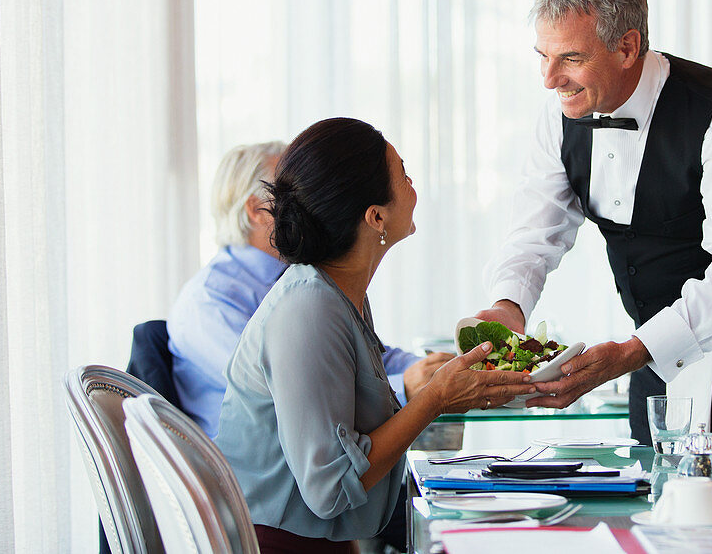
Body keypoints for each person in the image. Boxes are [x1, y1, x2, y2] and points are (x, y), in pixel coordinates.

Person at [478, 0, 712, 445]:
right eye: (542, 56)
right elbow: (535, 233)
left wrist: (638, 349)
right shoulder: (561, 115)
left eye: (570, 58)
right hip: (650, 349)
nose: (550, 80)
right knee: (653, 489)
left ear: (627, 47)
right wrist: (508, 306)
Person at [214, 118, 533, 552]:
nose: (413, 183)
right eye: (402, 173)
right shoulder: (309, 309)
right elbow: (329, 490)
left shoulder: (339, 292)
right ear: (375, 216)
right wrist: (434, 399)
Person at [168, 140, 452, 438]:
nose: (308, 201)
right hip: (250, 476)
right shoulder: (208, 301)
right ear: (256, 210)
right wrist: (405, 387)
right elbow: (286, 392)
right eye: (287, 193)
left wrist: (435, 369)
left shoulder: (310, 276)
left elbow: (366, 359)